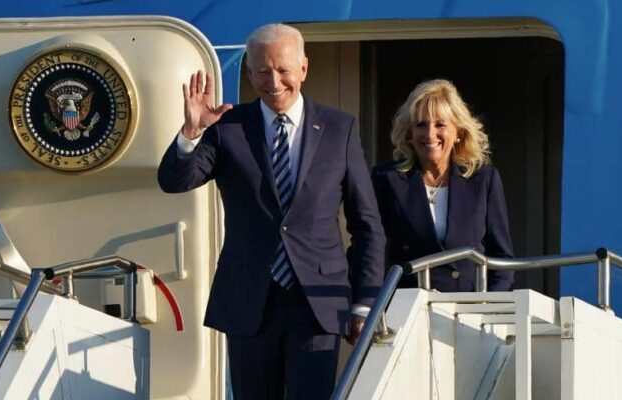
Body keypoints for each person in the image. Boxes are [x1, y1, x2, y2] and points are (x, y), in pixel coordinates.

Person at [157, 23, 385, 399]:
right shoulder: (227, 126)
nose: (274, 80)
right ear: (249, 73)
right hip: (250, 300)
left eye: (283, 69)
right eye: (262, 70)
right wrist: (191, 133)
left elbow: (367, 225)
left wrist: (364, 303)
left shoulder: (339, 129)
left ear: (304, 69)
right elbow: (175, 181)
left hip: (317, 302)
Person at [371, 79, 514, 292]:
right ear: (409, 133)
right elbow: (371, 251)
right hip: (407, 309)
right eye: (421, 124)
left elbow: (502, 259)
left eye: (440, 125)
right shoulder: (387, 179)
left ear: (458, 133)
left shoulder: (483, 179)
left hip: (469, 311)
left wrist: (489, 307)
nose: (430, 134)